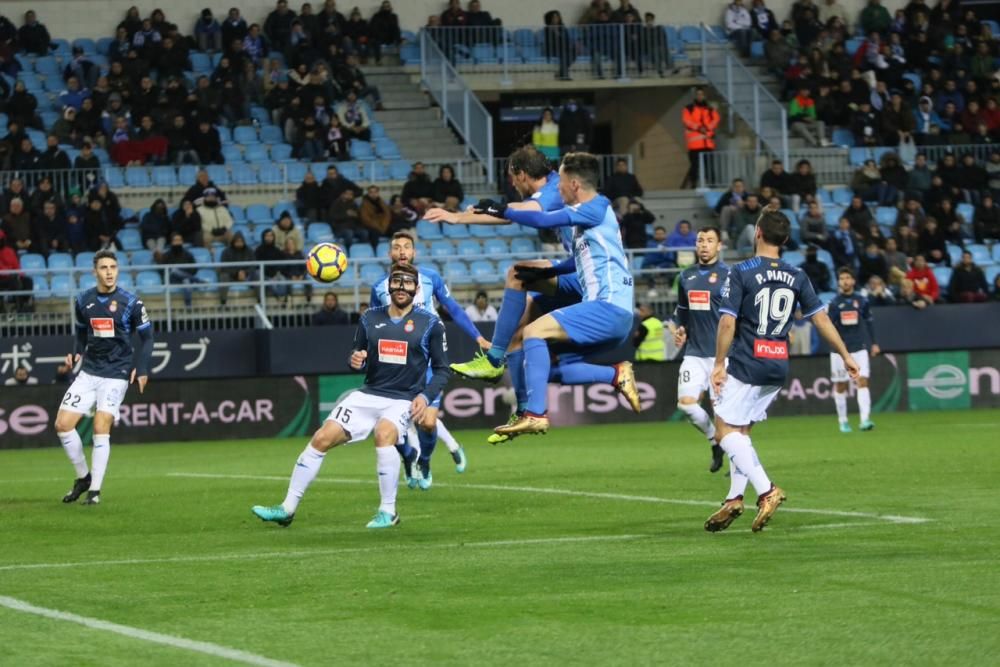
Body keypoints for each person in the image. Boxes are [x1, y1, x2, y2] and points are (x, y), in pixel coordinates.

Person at [425, 147, 640, 445]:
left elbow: (536, 217)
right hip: (585, 284)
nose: (558, 184)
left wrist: (483, 212)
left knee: (531, 329)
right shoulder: (582, 215)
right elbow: (578, 259)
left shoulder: (583, 203)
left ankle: (516, 388)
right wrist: (546, 274)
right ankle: (610, 377)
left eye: (562, 180)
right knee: (538, 357)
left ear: (572, 184)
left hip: (604, 302)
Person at [251, 262, 450, 529]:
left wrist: (425, 397)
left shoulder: (431, 324)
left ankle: (388, 511)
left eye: (407, 282)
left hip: (403, 399)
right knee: (321, 438)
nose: (401, 287)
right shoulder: (369, 318)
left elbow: (441, 370)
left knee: (384, 434)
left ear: (416, 288)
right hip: (368, 394)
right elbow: (357, 357)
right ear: (388, 285)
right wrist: (355, 360)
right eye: (396, 281)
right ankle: (286, 509)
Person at [705, 207, 859, 533]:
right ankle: (734, 498)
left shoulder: (741, 271)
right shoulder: (797, 274)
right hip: (778, 363)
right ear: (786, 239)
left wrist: (719, 364)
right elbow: (820, 318)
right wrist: (845, 354)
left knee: (723, 431)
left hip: (748, 362)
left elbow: (728, 321)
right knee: (741, 432)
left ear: (757, 233)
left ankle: (766, 490)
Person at [369, 231, 481, 482]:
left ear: (413, 252)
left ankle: (424, 461)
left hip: (430, 359)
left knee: (428, 423)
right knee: (391, 425)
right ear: (390, 254)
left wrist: (478, 337)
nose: (401, 251)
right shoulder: (378, 287)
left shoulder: (430, 278)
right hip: (395, 362)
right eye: (396, 247)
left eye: (406, 247)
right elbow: (373, 324)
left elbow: (453, 309)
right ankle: (409, 455)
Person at [55, 250, 153, 506]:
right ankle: (83, 478)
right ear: (94, 272)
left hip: (116, 373)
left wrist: (141, 368)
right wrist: (75, 353)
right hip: (88, 372)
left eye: (113, 267)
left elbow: (148, 338)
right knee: (63, 425)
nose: (109, 272)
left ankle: (95, 491)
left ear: (117, 270)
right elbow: (79, 333)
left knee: (100, 426)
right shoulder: (83, 300)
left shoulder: (131, 303)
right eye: (104, 267)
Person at [668, 227, 729, 472]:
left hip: (722, 356)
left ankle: (738, 466)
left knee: (725, 414)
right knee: (686, 404)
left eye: (710, 240)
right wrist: (680, 329)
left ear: (719, 245)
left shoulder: (729, 275)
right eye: (700, 240)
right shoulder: (686, 276)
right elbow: (681, 313)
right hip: (694, 353)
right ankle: (715, 441)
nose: (704, 244)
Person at [827, 267, 880, 433]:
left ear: (853, 281)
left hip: (859, 347)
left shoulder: (862, 301)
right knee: (841, 385)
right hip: (840, 351)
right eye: (842, 278)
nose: (845, 281)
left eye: (848, 278)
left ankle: (865, 420)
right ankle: (843, 421)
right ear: (839, 282)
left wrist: (874, 343)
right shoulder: (834, 303)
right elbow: (829, 327)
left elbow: (869, 321)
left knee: (862, 381)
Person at [681, 88, 720, 188]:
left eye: (701, 94)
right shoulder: (688, 108)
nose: (700, 96)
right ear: (695, 96)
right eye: (698, 94)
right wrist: (699, 128)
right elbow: (686, 121)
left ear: (704, 96)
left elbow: (716, 120)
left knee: (709, 166)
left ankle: (712, 184)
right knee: (694, 166)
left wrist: (706, 128)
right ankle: (693, 184)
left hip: (707, 143)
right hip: (694, 144)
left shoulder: (710, 109)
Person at [158, 233, 202, 307]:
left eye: (179, 240)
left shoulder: (188, 254)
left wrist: (184, 272)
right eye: (176, 240)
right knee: (174, 270)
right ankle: (197, 280)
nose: (178, 242)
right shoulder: (167, 255)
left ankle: (188, 305)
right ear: (172, 242)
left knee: (186, 281)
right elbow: (161, 270)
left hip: (184, 278)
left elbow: (195, 268)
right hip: (171, 279)